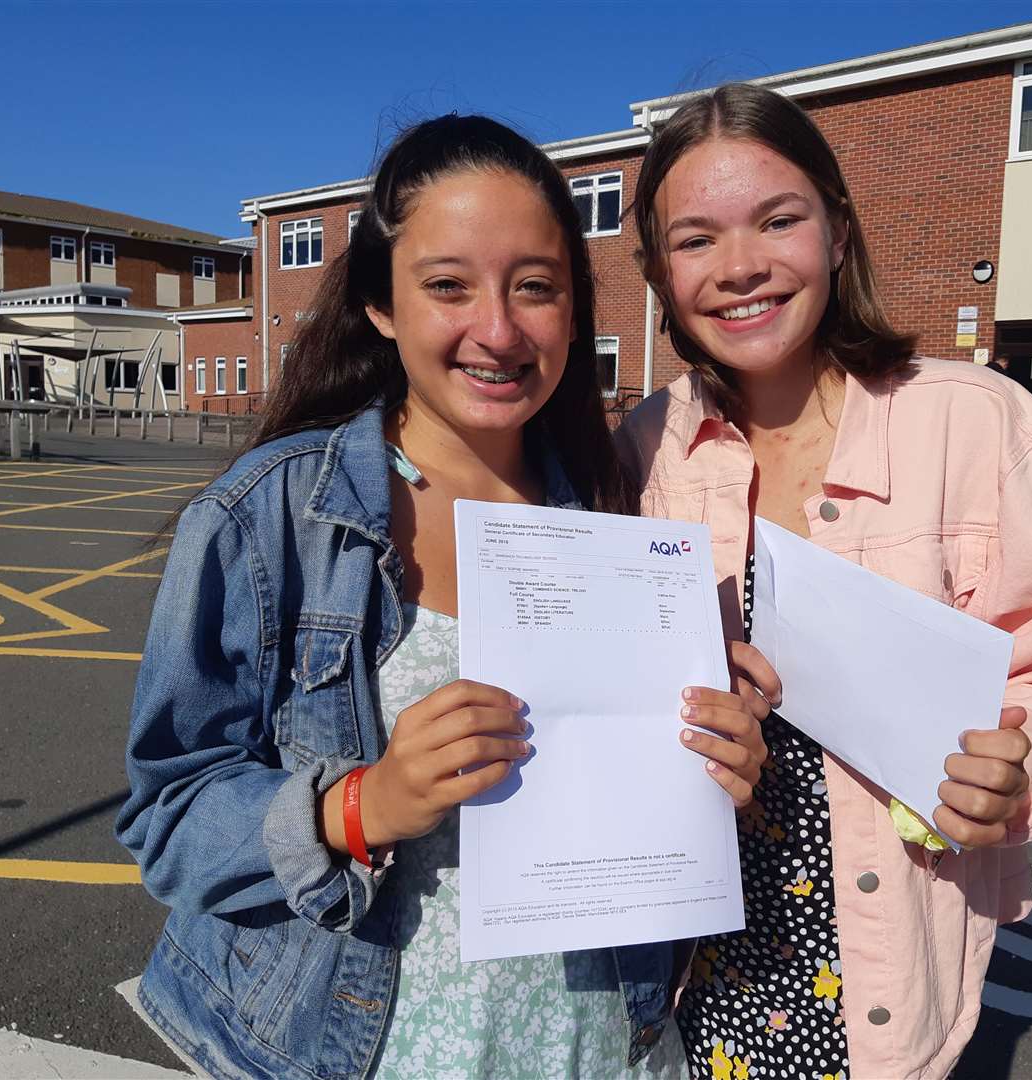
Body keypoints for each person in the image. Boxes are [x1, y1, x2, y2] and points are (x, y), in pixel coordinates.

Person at [116, 114, 772, 1080]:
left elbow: (650, 799)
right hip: (356, 1049)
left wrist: (716, 757)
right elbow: (168, 816)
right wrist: (358, 806)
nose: (499, 330)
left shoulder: (618, 511)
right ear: (382, 303)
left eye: (536, 288)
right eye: (448, 285)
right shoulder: (271, 516)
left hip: (598, 1045)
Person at [616, 83, 1032, 1080]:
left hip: (886, 966)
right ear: (657, 273)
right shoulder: (643, 445)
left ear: (838, 232)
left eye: (779, 220)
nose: (741, 268)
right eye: (695, 240)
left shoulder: (978, 424)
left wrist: (1022, 769)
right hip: (690, 973)